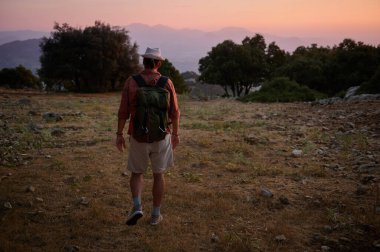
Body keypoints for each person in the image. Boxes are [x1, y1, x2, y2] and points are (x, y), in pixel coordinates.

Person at [116, 47, 180, 226]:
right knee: (158, 175)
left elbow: (123, 112)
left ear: (144, 62)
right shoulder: (167, 82)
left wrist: (119, 134)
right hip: (161, 136)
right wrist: (175, 133)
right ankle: (155, 215)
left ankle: (137, 207)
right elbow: (175, 112)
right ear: (158, 63)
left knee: (137, 173)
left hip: (138, 136)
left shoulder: (131, 82)